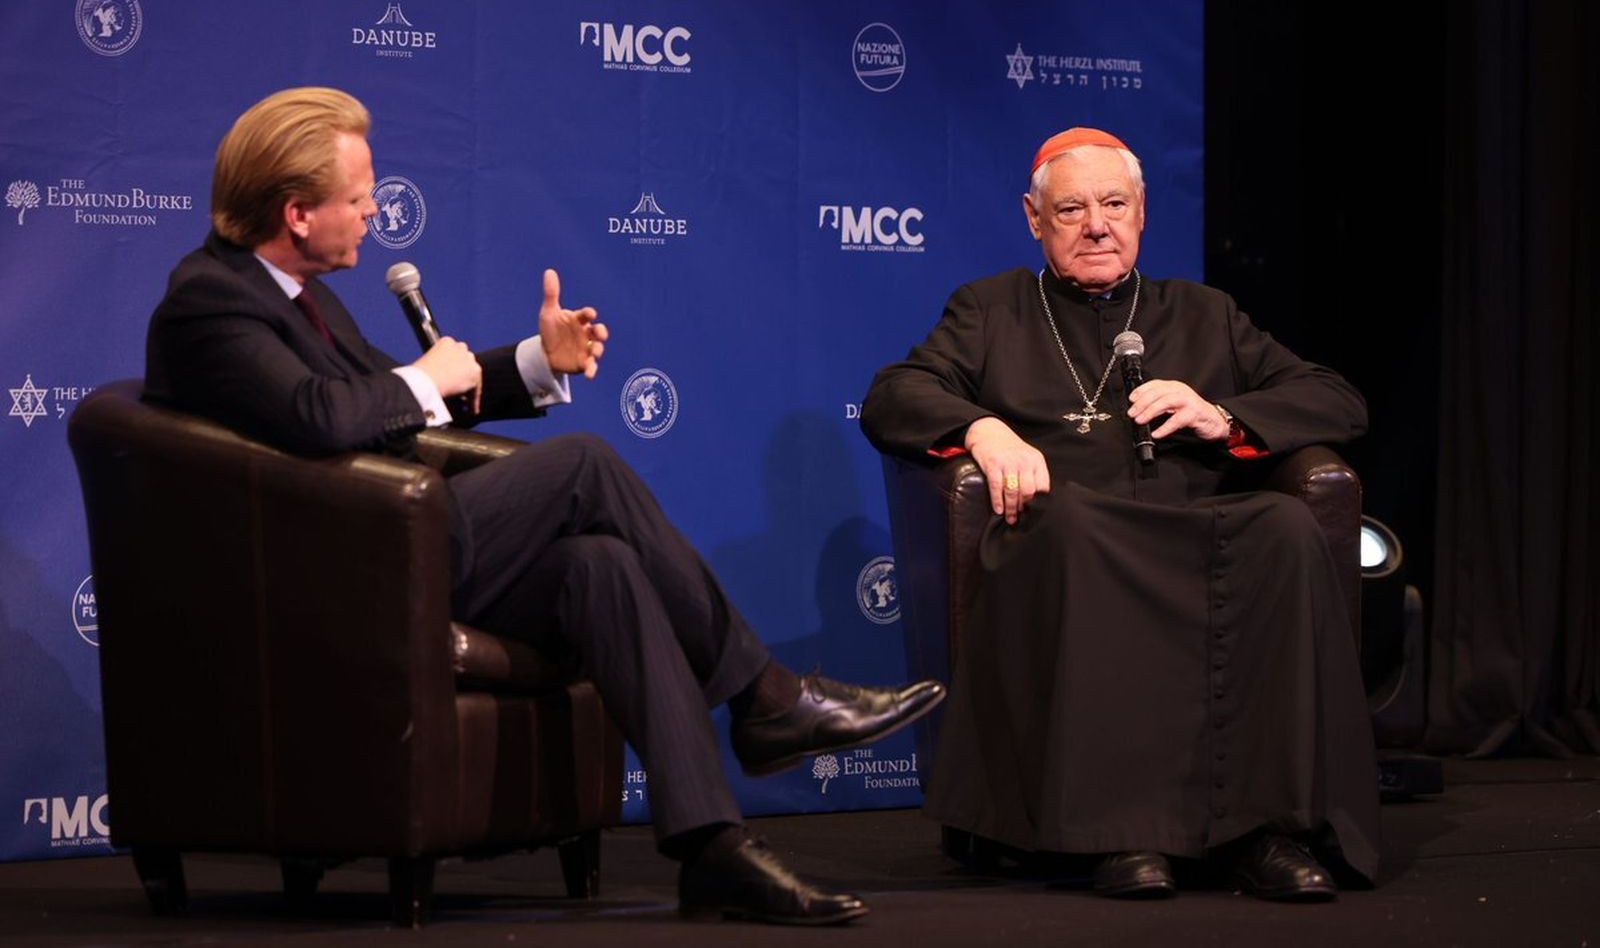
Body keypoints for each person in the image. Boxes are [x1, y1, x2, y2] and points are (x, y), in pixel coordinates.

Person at [144, 86, 945, 925]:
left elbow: (399, 400)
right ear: (298, 212)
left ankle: (713, 846)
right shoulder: (211, 301)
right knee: (585, 466)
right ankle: (769, 700)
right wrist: (421, 380)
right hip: (338, 582)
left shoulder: (303, 297)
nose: (376, 210)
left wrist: (535, 361)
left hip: (399, 548)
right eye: (358, 197)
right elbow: (324, 416)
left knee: (600, 567)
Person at [860, 127, 1379, 901]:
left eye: (1114, 204)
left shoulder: (1204, 313)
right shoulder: (991, 308)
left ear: (1140, 213)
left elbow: (1338, 399)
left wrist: (1222, 415)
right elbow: (892, 396)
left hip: (1198, 529)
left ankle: (1266, 829)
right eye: (1071, 209)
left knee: (1286, 530)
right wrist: (983, 426)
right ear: (1035, 221)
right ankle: (1114, 835)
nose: (1096, 225)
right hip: (1065, 534)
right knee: (1075, 530)